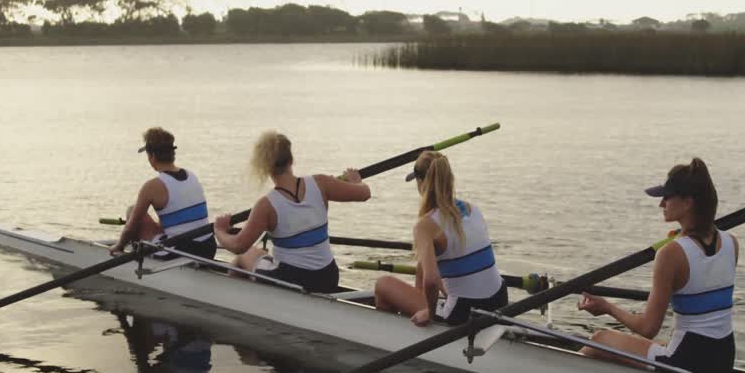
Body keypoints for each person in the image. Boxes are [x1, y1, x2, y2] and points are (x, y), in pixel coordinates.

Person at [578, 158, 737, 373]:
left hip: (687, 362)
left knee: (599, 338)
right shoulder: (732, 243)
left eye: (667, 197)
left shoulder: (670, 253)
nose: (661, 204)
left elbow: (648, 328)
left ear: (688, 202)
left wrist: (606, 307)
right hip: (722, 359)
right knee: (663, 343)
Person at [213, 130, 369, 293]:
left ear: (264, 167)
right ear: (291, 159)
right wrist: (357, 182)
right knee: (260, 254)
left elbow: (238, 246)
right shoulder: (322, 183)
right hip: (328, 277)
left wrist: (220, 231)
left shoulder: (266, 205)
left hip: (291, 280)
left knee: (243, 257)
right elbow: (365, 193)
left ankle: (236, 304)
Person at [373, 151, 508, 326]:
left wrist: (429, 312)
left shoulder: (426, 225)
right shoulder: (473, 209)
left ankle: (402, 334)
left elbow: (430, 280)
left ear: (421, 183)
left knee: (383, 285)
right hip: (500, 300)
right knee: (424, 262)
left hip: (464, 311)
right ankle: (421, 308)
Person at [110, 127, 217, 260]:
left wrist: (118, 247)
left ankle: (138, 256)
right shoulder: (191, 176)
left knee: (133, 212)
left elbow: (131, 227)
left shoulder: (152, 187)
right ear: (172, 154)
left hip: (182, 251)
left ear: (152, 156)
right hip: (208, 247)